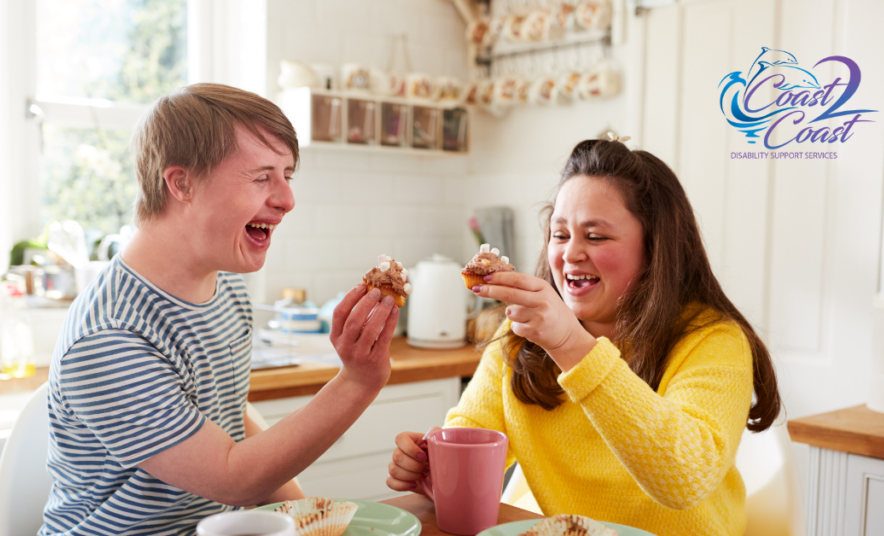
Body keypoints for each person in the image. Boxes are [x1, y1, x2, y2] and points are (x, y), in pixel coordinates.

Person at [41, 84, 399, 535]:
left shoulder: (225, 286)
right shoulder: (110, 337)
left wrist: (310, 521)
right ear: (182, 183)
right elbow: (233, 478)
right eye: (262, 176)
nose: (287, 200)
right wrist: (358, 381)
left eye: (287, 175)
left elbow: (230, 420)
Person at [386, 137, 782, 536]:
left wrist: (570, 346)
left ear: (656, 248)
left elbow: (684, 479)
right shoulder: (522, 336)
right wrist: (434, 466)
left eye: (596, 237)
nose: (570, 254)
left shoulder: (713, 341)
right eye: (560, 234)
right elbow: (472, 439)